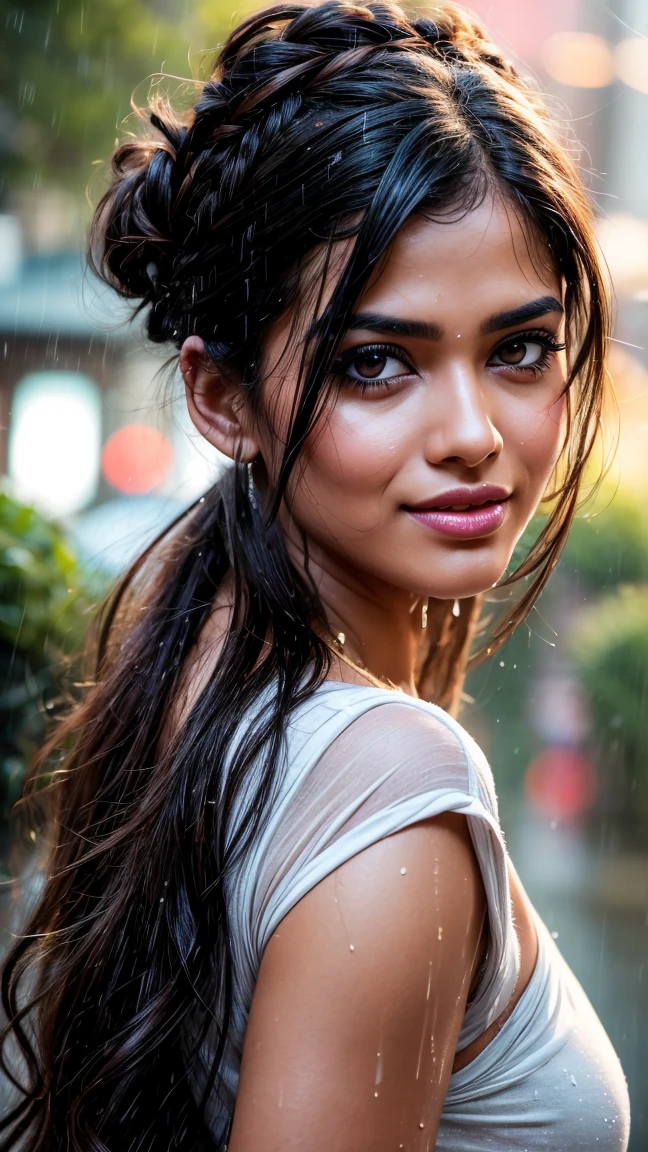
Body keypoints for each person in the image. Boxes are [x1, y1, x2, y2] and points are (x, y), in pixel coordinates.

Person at [0, 2, 631, 1149]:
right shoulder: (393, 783)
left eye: (520, 349)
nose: (473, 433)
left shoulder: (189, 662)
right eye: (377, 362)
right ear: (222, 399)